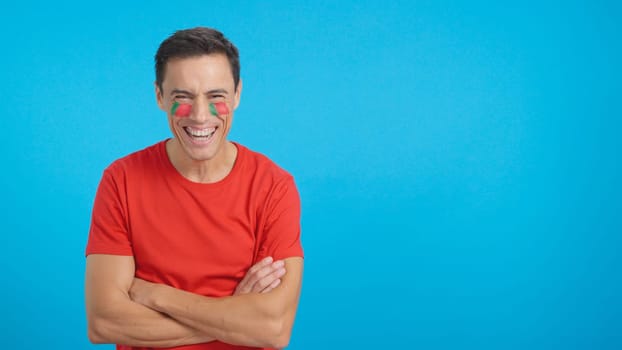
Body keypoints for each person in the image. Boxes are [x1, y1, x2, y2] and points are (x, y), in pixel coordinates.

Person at [84, 27, 304, 350]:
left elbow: (273, 328)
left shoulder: (274, 188)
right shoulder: (121, 181)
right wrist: (232, 314)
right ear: (159, 96)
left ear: (238, 94)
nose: (201, 116)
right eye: (182, 98)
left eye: (217, 97)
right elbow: (104, 322)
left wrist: (158, 296)